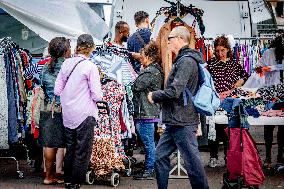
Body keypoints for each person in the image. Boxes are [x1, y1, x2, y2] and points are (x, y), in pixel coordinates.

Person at [148, 26, 209, 189]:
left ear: (180, 39)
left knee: (193, 164)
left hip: (183, 120)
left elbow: (175, 91)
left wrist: (155, 95)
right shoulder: (183, 60)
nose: (168, 42)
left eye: (170, 39)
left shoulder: (187, 61)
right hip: (175, 120)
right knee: (160, 156)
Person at [54, 34, 103, 189]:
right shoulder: (90, 66)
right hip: (85, 114)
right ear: (91, 48)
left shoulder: (66, 64)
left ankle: (68, 179)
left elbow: (57, 90)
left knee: (71, 147)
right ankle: (76, 183)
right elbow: (97, 95)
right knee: (83, 150)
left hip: (68, 114)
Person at [206, 35, 249, 168]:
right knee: (213, 129)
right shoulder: (211, 64)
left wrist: (240, 81)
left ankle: (227, 156)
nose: (220, 54)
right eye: (218, 51)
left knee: (229, 129)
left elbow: (245, 76)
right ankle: (213, 156)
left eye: (223, 50)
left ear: (228, 49)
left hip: (230, 101)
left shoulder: (234, 64)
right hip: (215, 100)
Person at [39, 37, 71, 185]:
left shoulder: (45, 67)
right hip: (66, 109)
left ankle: (48, 176)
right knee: (67, 143)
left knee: (50, 143)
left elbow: (43, 87)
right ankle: (62, 174)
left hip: (49, 109)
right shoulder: (70, 67)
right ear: (65, 51)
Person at [132, 41, 164, 180]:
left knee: (148, 142)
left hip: (146, 112)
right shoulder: (155, 70)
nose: (141, 59)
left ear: (149, 57)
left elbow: (137, 86)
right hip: (149, 111)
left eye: (142, 56)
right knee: (150, 142)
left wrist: (140, 71)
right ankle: (150, 166)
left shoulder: (150, 72)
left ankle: (149, 169)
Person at [255, 30, 284, 168]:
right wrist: (264, 69)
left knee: (282, 127)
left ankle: (279, 157)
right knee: (269, 126)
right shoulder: (268, 53)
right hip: (271, 93)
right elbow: (257, 68)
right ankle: (267, 157)